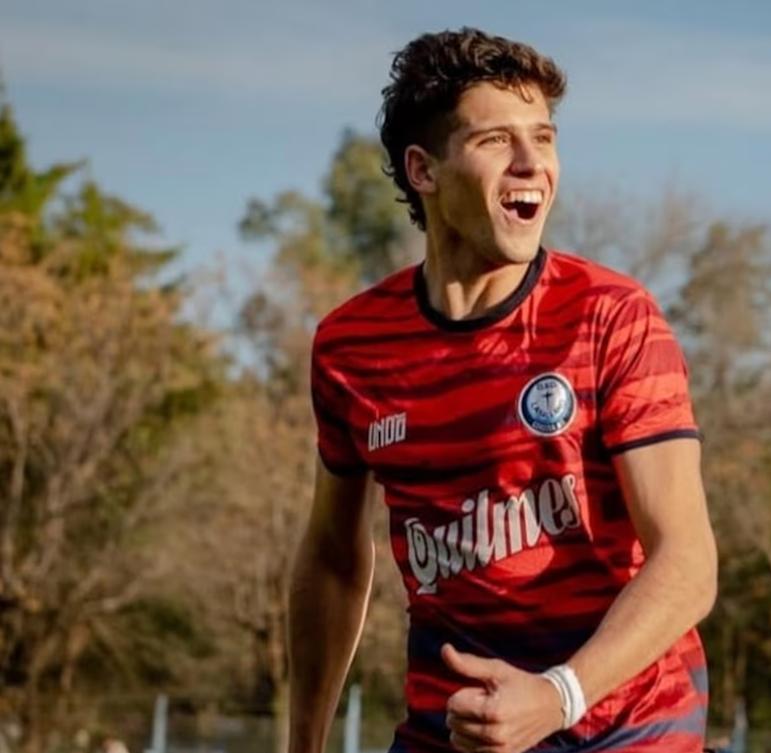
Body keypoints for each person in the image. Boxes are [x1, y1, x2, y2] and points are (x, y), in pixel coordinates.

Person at [289, 27, 717, 753]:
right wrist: (302, 743)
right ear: (423, 170)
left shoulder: (611, 317)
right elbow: (332, 560)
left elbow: (687, 561)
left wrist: (557, 695)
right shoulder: (351, 346)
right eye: (496, 140)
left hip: (625, 729)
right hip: (452, 729)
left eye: (543, 138)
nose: (531, 163)